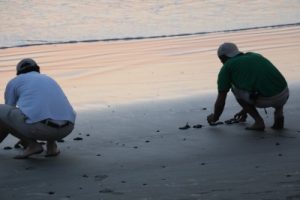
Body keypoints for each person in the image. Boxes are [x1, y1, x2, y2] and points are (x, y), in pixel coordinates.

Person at [0, 58, 76, 159]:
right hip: (67, 128)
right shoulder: (49, 79)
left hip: (41, 129)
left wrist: (23, 134)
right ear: (37, 70)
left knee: (3, 111)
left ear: (18, 73)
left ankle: (32, 145)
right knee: (48, 109)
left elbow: (8, 114)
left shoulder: (15, 81)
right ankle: (51, 146)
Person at [207, 43, 289, 131]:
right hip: (284, 93)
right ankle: (279, 113)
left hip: (266, 99)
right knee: (270, 83)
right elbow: (257, 81)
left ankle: (259, 122)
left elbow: (221, 99)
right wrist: (244, 111)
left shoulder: (227, 67)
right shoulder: (255, 55)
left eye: (221, 59)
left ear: (223, 57)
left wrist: (214, 118)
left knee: (234, 88)